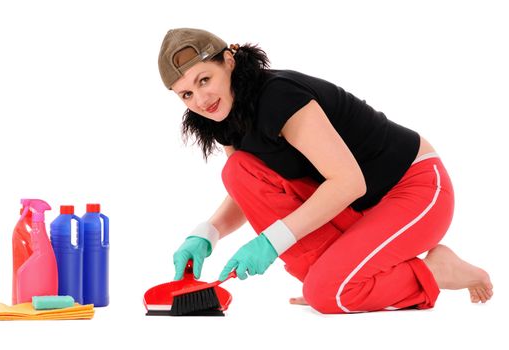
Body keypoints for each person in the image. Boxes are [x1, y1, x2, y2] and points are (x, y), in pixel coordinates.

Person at [158, 28, 493, 313]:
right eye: (187, 94)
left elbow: (348, 182)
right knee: (237, 170)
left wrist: (270, 242)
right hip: (357, 208)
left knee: (326, 294)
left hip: (415, 189)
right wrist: (207, 233)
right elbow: (247, 187)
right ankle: (345, 280)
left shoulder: (279, 97)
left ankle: (436, 272)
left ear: (228, 61)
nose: (201, 100)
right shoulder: (224, 118)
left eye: (205, 80)